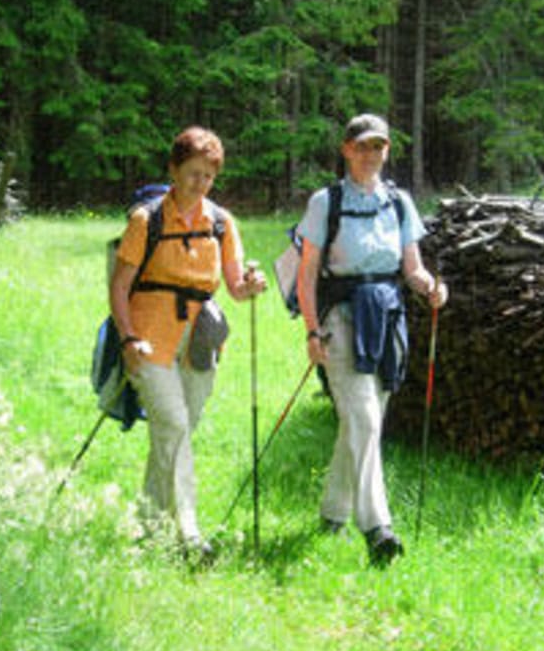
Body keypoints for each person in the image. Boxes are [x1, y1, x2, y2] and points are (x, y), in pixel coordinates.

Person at [296, 113, 448, 567]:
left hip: (386, 317)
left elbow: (413, 268)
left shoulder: (398, 202)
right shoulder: (327, 202)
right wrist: (310, 329)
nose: (371, 155)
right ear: (346, 150)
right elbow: (307, 275)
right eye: (363, 146)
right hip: (340, 316)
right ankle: (377, 527)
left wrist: (432, 288)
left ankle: (332, 513)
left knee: (365, 419)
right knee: (363, 417)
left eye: (378, 146)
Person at [110, 126, 267, 561]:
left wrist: (252, 284)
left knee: (173, 433)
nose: (200, 184)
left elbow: (234, 285)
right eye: (193, 173)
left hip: (200, 342)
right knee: (174, 427)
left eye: (209, 176)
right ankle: (189, 536)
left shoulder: (220, 223)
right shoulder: (147, 221)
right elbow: (119, 286)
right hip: (149, 342)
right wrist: (127, 339)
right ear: (174, 170)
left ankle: (147, 528)